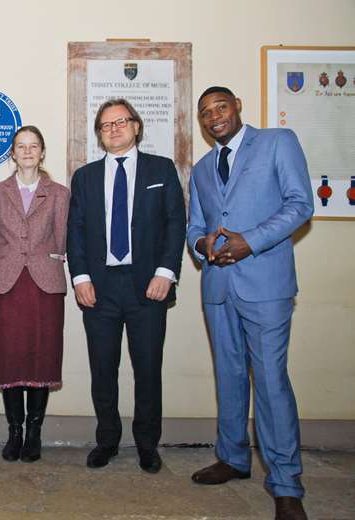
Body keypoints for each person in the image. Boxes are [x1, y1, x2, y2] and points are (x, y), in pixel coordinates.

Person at [188, 86, 313, 520]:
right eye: (205, 113)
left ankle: (285, 484)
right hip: (218, 289)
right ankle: (233, 457)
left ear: (237, 106)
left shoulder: (278, 142)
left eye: (220, 107)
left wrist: (250, 243)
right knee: (229, 376)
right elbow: (195, 228)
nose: (214, 117)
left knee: (272, 382)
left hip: (266, 285)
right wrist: (205, 244)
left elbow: (301, 204)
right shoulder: (202, 169)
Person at [67, 98, 185, 473]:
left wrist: (166, 273)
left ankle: (148, 444)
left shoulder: (161, 170)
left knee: (148, 369)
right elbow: (76, 231)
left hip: (148, 286)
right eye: (106, 125)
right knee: (103, 369)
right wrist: (81, 278)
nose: (114, 128)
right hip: (99, 289)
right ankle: (107, 440)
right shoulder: (85, 177)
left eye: (121, 122)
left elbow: (175, 224)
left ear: (136, 126)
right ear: (100, 136)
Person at [0, 126, 69, 462]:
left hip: (45, 284)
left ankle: (34, 432)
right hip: (6, 283)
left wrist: (39, 259)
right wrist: (13, 261)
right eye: (21, 146)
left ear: (42, 152)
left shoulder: (59, 193)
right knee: (9, 357)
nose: (28, 152)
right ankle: (14, 431)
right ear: (12, 153)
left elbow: (61, 241)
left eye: (34, 146)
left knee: (41, 356)